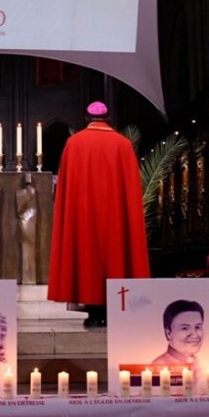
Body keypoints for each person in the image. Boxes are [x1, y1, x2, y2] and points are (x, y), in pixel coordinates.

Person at [48, 101, 148, 327]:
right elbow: (131, 191)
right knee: (115, 256)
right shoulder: (123, 145)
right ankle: (111, 309)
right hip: (115, 219)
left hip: (83, 218)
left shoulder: (73, 144)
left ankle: (93, 311)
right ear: (109, 119)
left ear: (86, 119)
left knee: (87, 259)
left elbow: (65, 189)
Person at [149, 299, 204, 373]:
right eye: (185, 328)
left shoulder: (195, 362)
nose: (195, 334)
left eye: (198, 327)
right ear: (169, 333)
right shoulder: (160, 367)